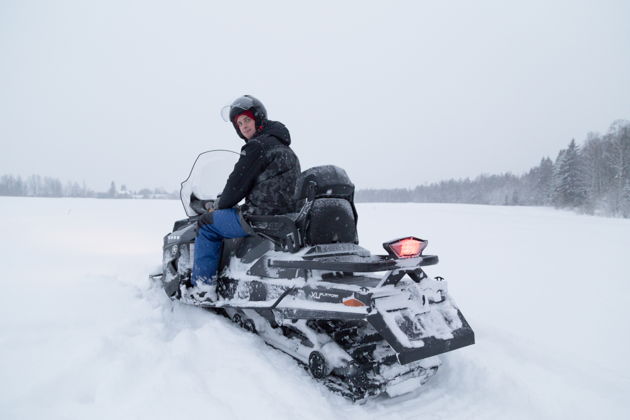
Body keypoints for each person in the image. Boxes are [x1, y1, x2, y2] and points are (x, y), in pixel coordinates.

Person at [187, 95, 301, 301]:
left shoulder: (258, 146)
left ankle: (203, 290)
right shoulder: (285, 148)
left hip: (260, 217)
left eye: (246, 119)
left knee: (206, 225)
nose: (243, 126)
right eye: (239, 123)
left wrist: (218, 205)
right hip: (286, 217)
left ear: (258, 118)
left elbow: (235, 187)